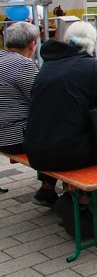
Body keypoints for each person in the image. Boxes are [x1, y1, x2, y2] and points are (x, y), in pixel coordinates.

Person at [25, 21, 97, 238]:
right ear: (93, 43)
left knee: (75, 130)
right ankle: (80, 206)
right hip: (67, 153)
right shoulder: (94, 67)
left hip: (37, 149)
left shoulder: (49, 64)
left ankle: (64, 195)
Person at [0, 22, 58, 206]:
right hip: (13, 137)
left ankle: (47, 189)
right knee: (64, 133)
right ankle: (50, 190)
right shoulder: (23, 65)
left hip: (4, 133)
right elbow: (42, 100)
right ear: (33, 44)